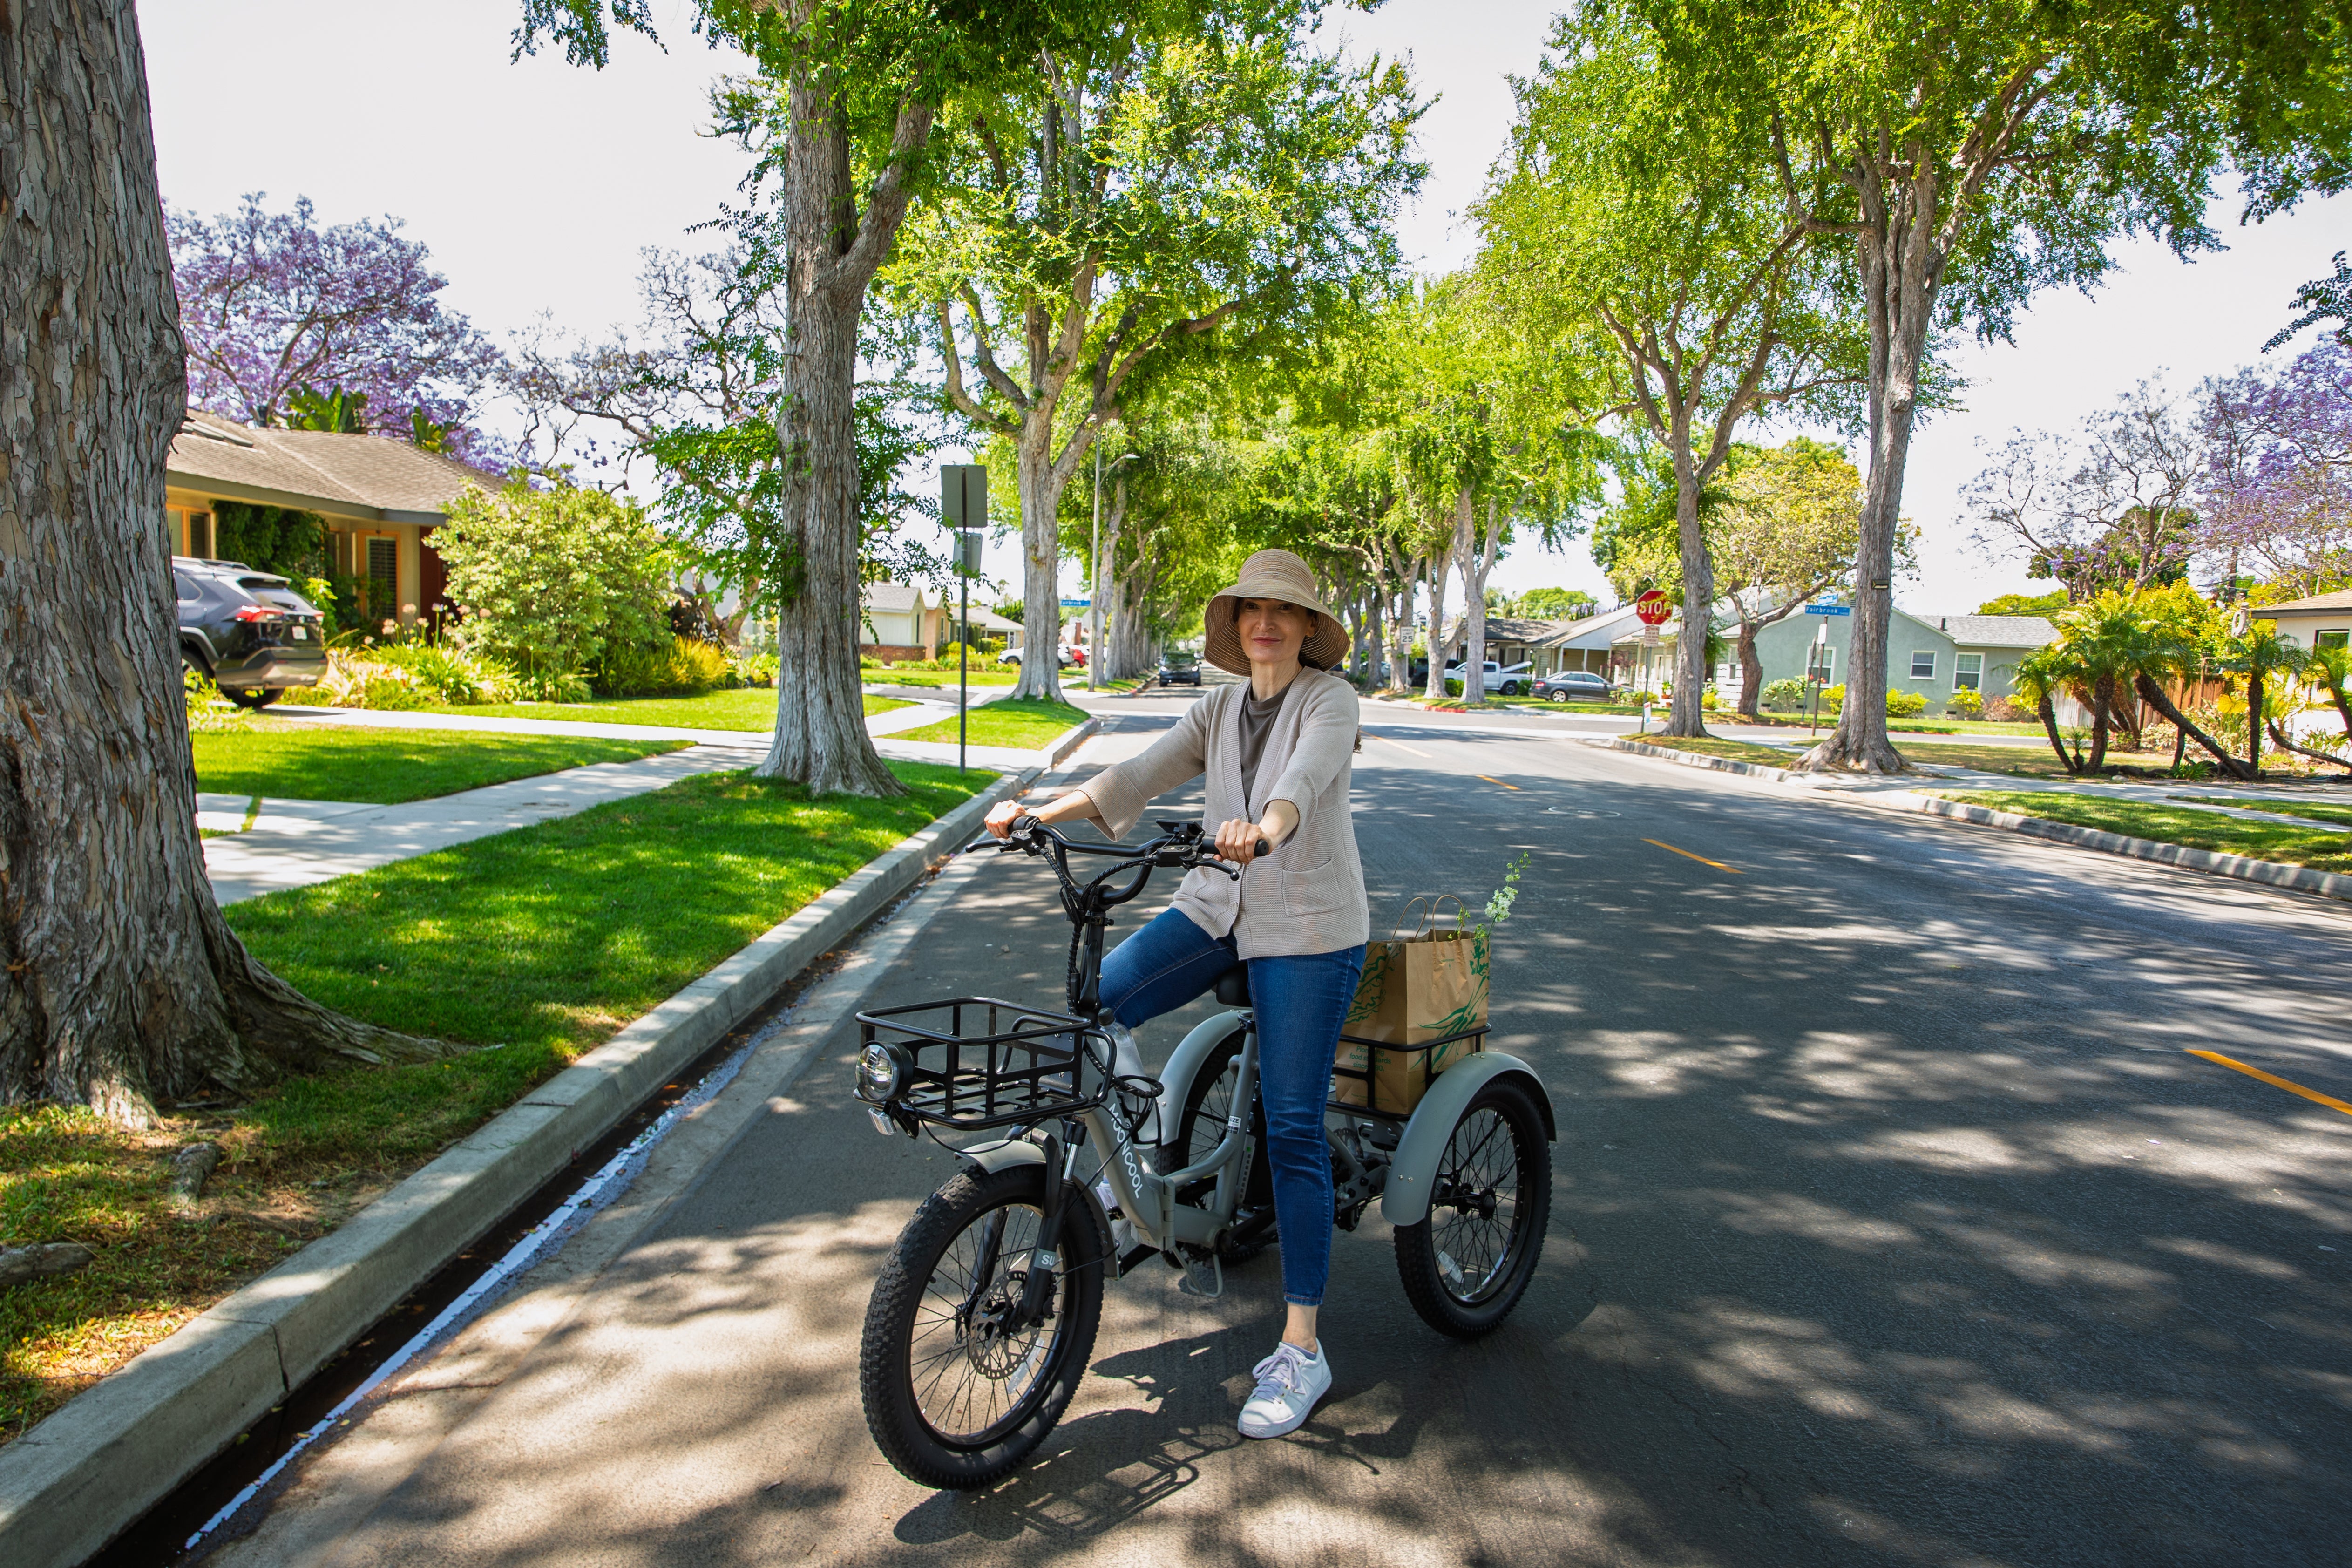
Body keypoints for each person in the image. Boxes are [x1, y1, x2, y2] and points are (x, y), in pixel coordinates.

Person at [984, 547, 1367, 1440]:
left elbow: (1302, 782)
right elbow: (1137, 775)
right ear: (1234, 628)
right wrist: (1043, 813)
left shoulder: (1330, 700)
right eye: (1249, 610)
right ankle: (1123, 1185)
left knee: (1298, 1130)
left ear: (1309, 629)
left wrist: (1262, 829)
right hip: (1215, 909)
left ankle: (1303, 1351)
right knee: (1091, 1010)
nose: (1264, 622)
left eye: (1283, 610)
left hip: (1307, 926)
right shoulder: (1219, 704)